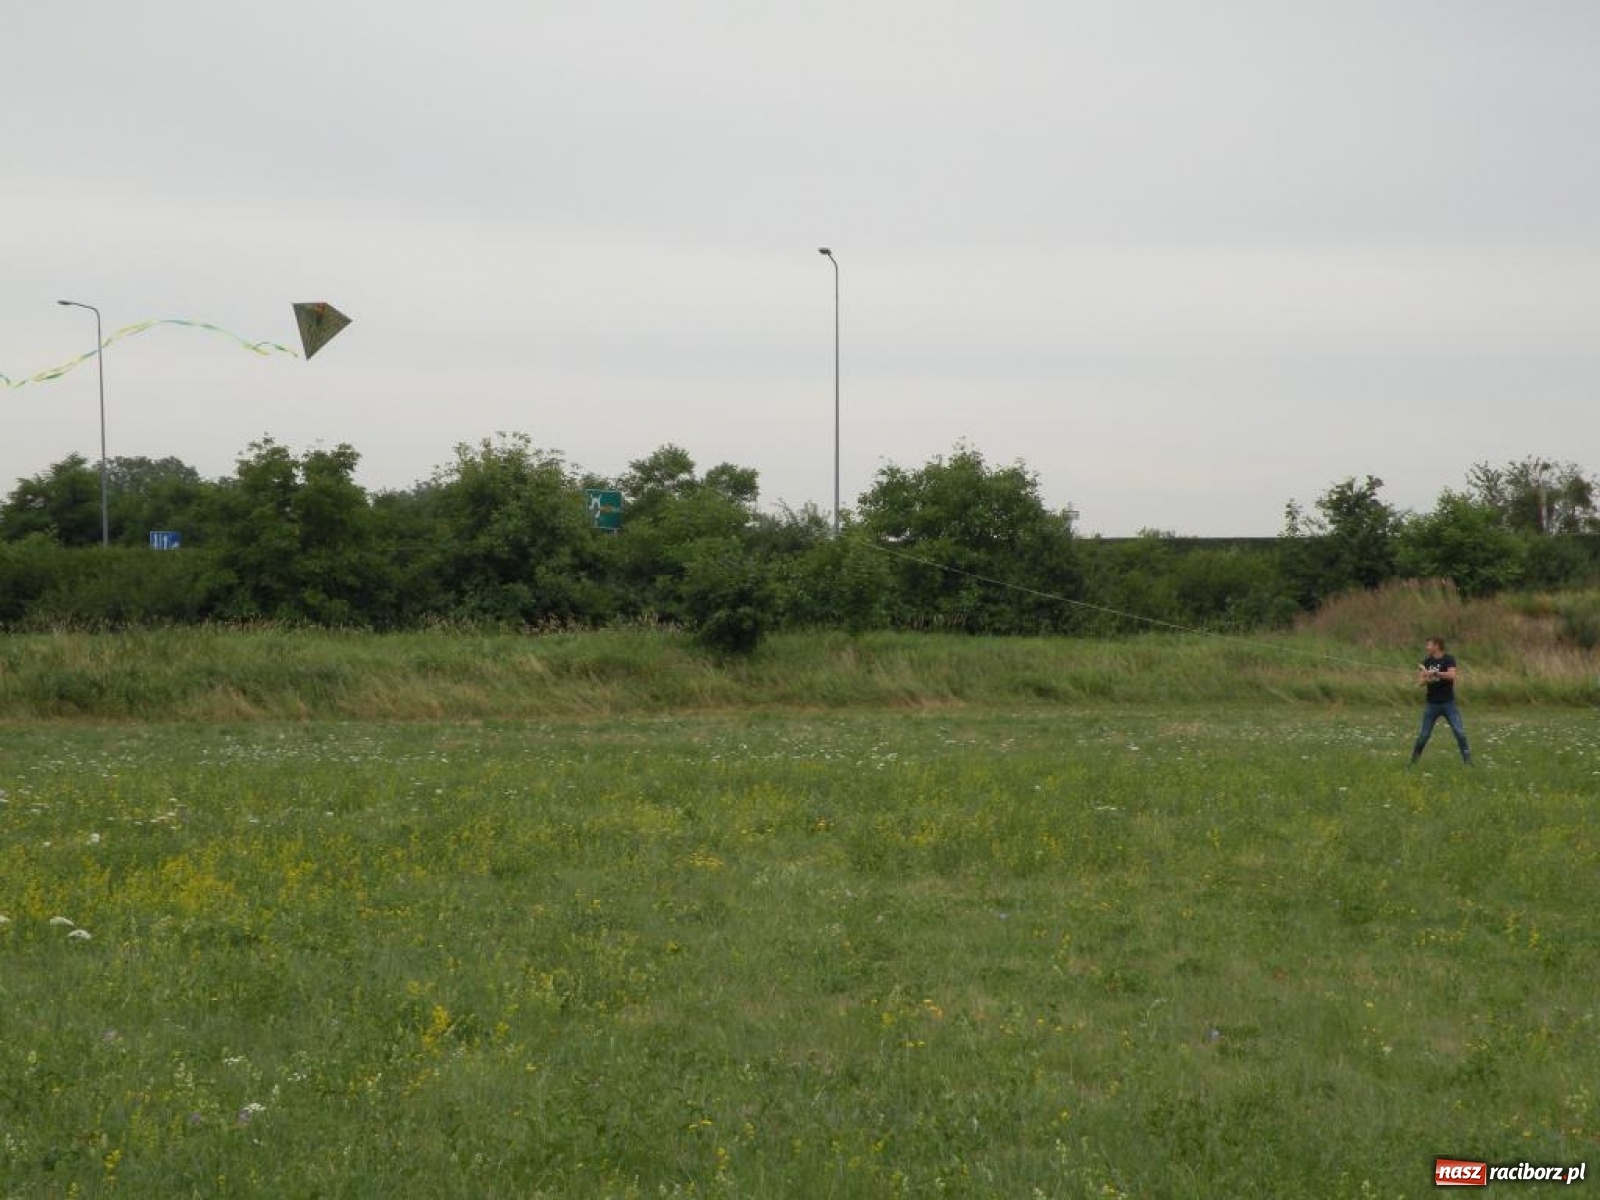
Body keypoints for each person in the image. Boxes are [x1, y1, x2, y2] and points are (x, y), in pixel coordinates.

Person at [1410, 637, 1472, 766]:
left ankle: (1468, 762)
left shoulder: (1449, 659)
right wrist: (1427, 677)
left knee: (1459, 732)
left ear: (1436, 646)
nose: (1427, 647)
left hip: (1448, 704)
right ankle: (1413, 762)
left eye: (1429, 645)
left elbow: (1452, 675)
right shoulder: (1427, 661)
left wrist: (1436, 673)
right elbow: (1420, 682)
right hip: (1431, 705)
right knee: (1424, 735)